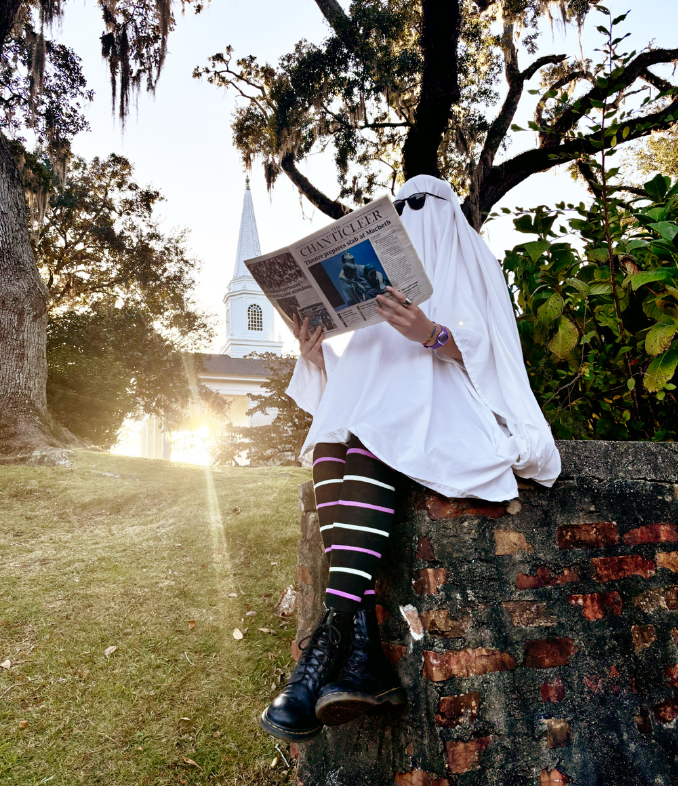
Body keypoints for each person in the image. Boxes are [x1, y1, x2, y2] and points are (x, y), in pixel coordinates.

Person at [259, 174, 561, 743]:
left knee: (377, 428)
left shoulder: (468, 254)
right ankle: (361, 657)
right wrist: (317, 353)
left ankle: (320, 655)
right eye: (403, 207)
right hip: (382, 402)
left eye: (421, 205)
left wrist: (432, 333)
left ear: (443, 211)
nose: (413, 213)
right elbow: (361, 377)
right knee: (332, 436)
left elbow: (493, 346)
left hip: (448, 394)